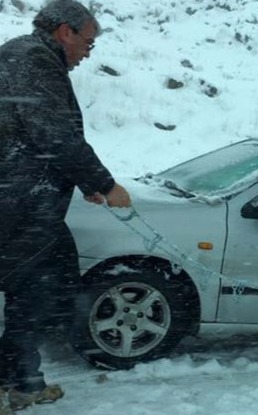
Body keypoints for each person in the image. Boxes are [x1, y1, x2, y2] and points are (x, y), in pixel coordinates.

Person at [0, 0, 132, 411]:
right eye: (88, 44)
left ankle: (21, 380)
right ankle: (15, 378)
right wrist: (103, 183)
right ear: (64, 32)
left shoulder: (21, 55)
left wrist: (77, 180)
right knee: (44, 290)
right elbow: (52, 134)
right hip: (19, 203)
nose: (87, 54)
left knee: (43, 289)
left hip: (24, 198)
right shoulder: (32, 59)